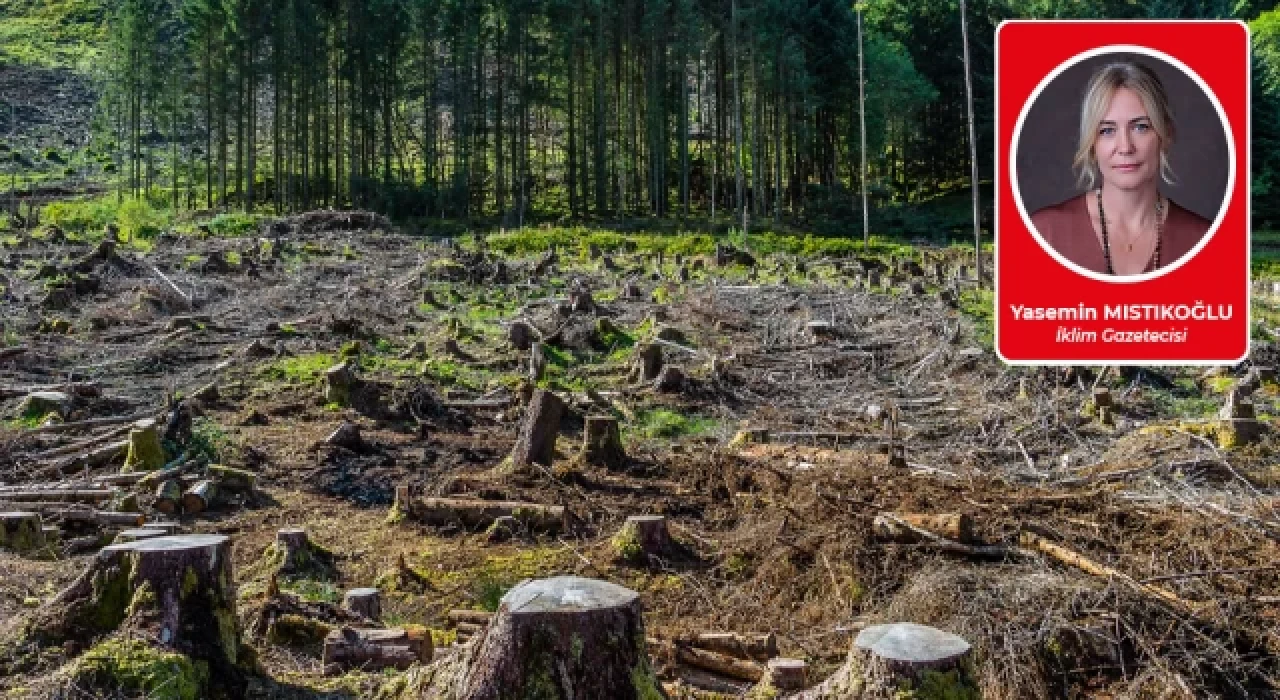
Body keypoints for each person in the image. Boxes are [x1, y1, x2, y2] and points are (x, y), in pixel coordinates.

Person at [1030, 60, 1211, 276]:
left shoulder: (1202, 237)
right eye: (1107, 130)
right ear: (1092, 142)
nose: (1125, 147)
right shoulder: (1045, 233)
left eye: (1141, 127)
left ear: (1166, 135)